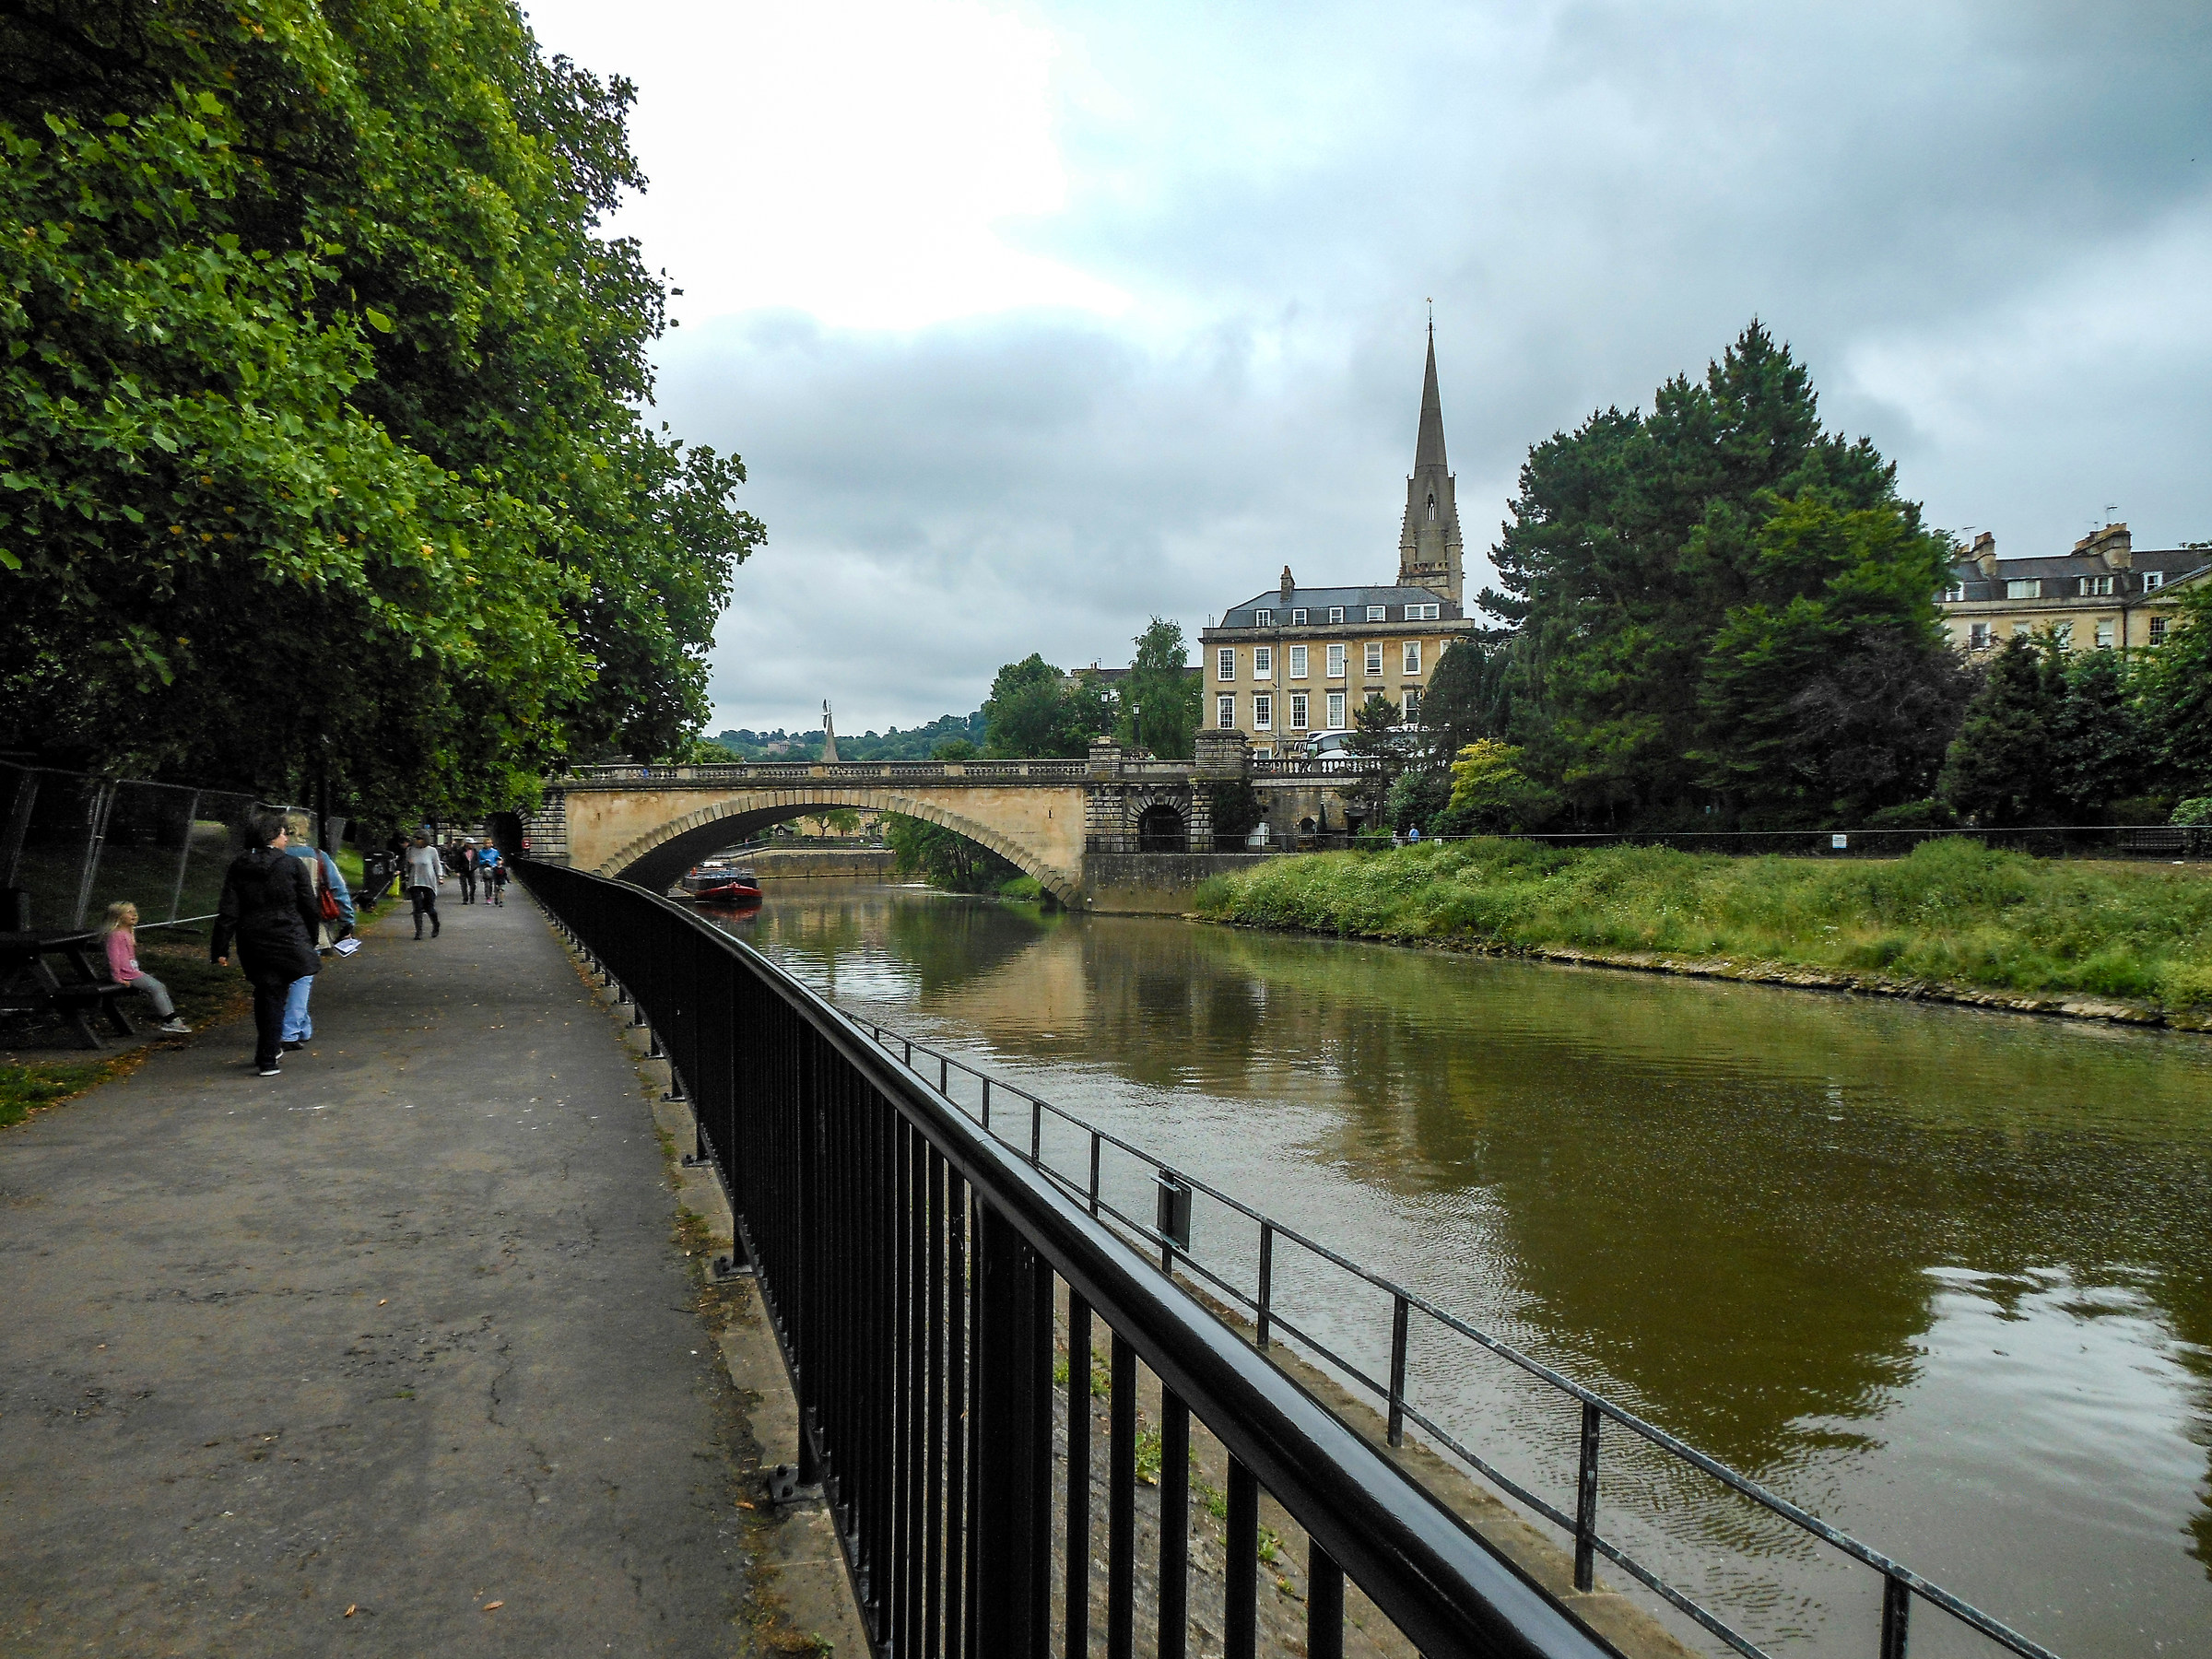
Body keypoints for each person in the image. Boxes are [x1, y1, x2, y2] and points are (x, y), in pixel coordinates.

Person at [211, 813, 321, 1077]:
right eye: (283, 833)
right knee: (277, 993)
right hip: (287, 936)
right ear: (272, 835)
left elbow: (229, 909)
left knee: (265, 992)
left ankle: (268, 1051)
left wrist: (220, 947)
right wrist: (311, 938)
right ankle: (269, 1053)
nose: (286, 838)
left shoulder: (239, 866)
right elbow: (308, 905)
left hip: (252, 939)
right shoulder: (292, 866)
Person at [278, 815, 354, 1051]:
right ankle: (291, 1030)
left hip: (277, 924)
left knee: (286, 978)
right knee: (303, 978)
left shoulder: (272, 856)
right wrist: (347, 921)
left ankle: (302, 1027)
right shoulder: (318, 857)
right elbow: (338, 890)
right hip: (312, 925)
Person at [100, 901, 191, 1035]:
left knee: (159, 987)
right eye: (129, 912)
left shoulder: (128, 932)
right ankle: (171, 1020)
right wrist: (117, 977)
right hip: (126, 974)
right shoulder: (116, 935)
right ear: (117, 917)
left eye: (134, 911)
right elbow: (113, 958)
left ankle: (172, 1019)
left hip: (132, 971)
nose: (134, 915)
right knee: (157, 987)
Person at [405, 832, 445, 939]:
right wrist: (409, 864)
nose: (417, 840)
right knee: (417, 906)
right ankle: (419, 931)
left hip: (428, 881)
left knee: (429, 907)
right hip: (415, 881)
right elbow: (407, 865)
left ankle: (436, 924)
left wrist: (440, 877)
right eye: (416, 838)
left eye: (419, 838)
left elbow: (437, 864)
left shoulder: (432, 851)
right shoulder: (410, 850)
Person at [477, 841, 505, 907]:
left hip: (494, 870)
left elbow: (498, 859)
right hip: (485, 870)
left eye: (489, 843)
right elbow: (478, 861)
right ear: (483, 844)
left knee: (494, 884)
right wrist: (484, 861)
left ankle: (495, 897)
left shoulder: (495, 851)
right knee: (487, 884)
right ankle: (488, 897)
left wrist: (496, 864)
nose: (487, 845)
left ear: (491, 844)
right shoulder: (481, 852)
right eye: (486, 843)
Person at [457, 840, 479, 905]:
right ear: (467, 844)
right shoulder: (460, 851)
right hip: (463, 870)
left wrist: (475, 866)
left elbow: (476, 859)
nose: (472, 845)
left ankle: (471, 897)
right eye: (471, 844)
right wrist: (457, 870)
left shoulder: (474, 851)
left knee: (473, 885)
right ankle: (465, 899)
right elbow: (457, 860)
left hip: (471, 870)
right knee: (464, 885)